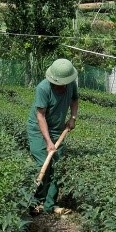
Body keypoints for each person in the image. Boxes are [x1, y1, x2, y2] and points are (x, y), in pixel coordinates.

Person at [26, 57, 80, 215]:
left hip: (58, 130)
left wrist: (73, 118)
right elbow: (40, 116)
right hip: (38, 129)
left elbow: (75, 100)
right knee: (43, 164)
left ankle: (50, 204)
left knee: (57, 166)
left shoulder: (71, 85)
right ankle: (34, 202)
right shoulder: (43, 88)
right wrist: (49, 142)